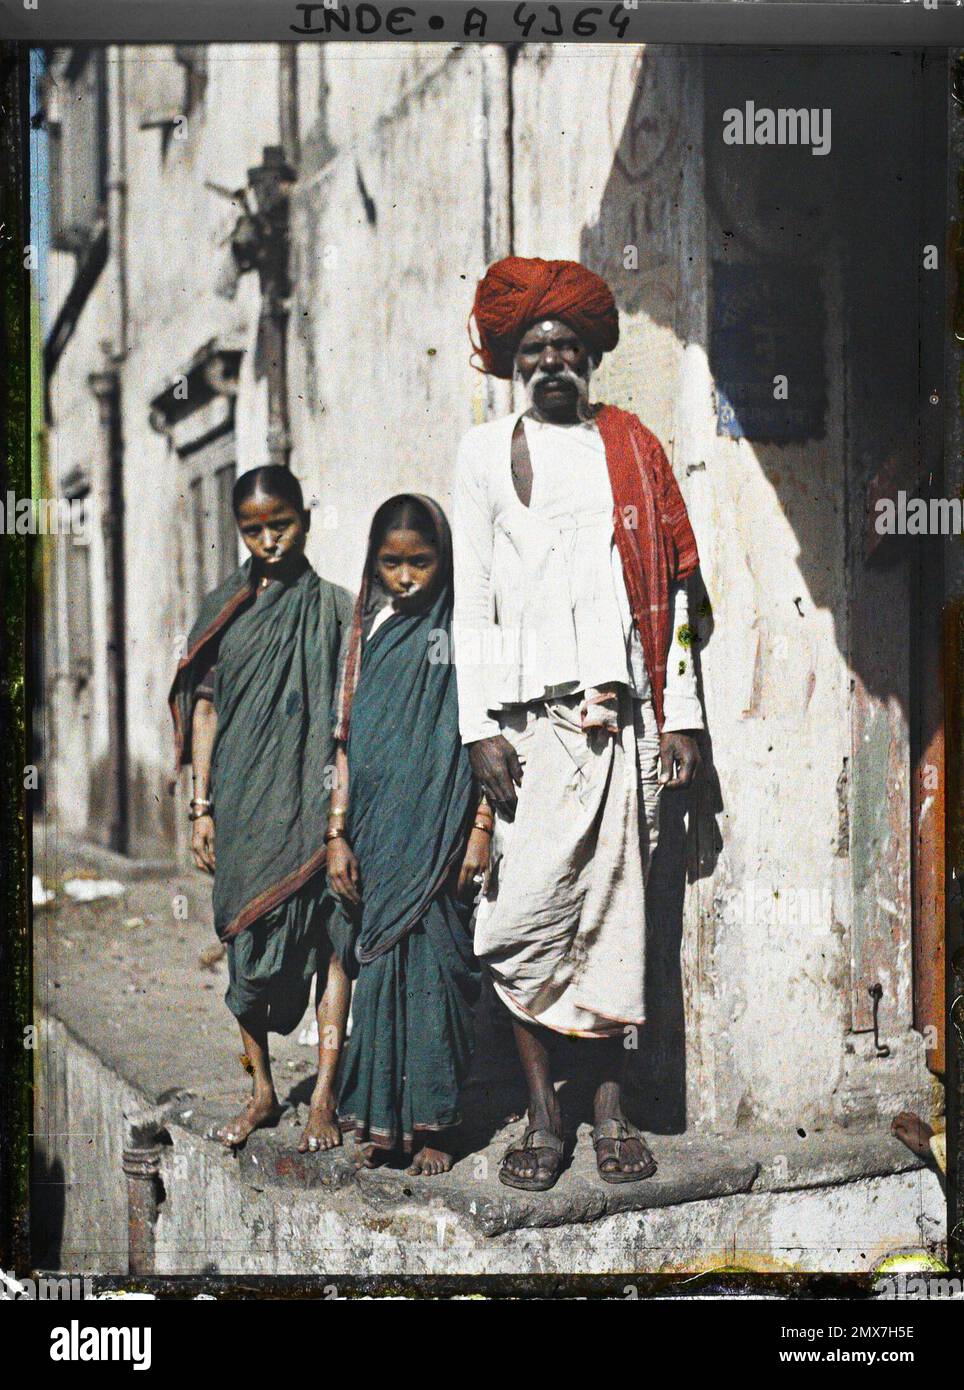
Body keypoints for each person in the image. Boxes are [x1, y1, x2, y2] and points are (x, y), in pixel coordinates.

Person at [453, 256, 704, 1190]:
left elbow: (677, 593)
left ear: (591, 355)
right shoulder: (485, 454)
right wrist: (478, 727)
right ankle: (541, 1114)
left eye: (566, 347)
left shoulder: (628, 446)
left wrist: (683, 717)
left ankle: (605, 1111)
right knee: (520, 922)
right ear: (512, 363)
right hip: (528, 732)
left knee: (612, 924)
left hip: (619, 727)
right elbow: (471, 599)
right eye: (535, 350)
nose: (552, 362)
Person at [170, 465, 355, 1152]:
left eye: (281, 524)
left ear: (305, 519)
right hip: (245, 804)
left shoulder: (336, 609)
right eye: (254, 530)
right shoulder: (228, 611)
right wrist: (202, 807)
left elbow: (350, 714)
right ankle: (263, 1090)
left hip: (317, 802)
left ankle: (325, 1096)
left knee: (332, 942)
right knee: (243, 941)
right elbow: (207, 710)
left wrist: (342, 813)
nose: (270, 539)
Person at [327, 495, 490, 1176]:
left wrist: (479, 829)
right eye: (390, 563)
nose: (403, 577)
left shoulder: (464, 633)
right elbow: (344, 745)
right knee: (379, 973)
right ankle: (385, 1121)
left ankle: (436, 1126)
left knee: (435, 974)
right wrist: (337, 835)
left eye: (419, 562)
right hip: (376, 833)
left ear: (443, 560)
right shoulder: (371, 636)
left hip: (441, 834)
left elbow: (486, 735)